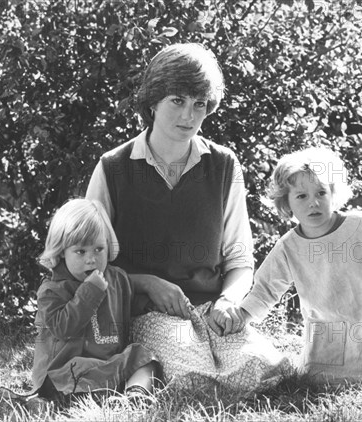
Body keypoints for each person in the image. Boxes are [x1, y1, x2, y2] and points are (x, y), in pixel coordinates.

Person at [85, 43, 288, 395]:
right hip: (149, 314)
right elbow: (88, 266)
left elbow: (240, 259)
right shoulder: (113, 168)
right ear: (153, 103)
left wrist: (229, 301)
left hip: (212, 309)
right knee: (191, 373)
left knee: (263, 369)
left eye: (199, 104)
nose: (189, 116)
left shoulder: (223, 164)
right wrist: (146, 282)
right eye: (177, 101)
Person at [229, 147, 362, 385]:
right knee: (326, 381)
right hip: (329, 342)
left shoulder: (361, 224)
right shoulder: (289, 247)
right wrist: (242, 315)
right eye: (302, 196)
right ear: (286, 203)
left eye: (321, 192)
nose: (314, 203)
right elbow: (266, 289)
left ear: (333, 192)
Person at [31, 198, 159, 404]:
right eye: (81, 251)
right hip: (66, 371)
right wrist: (89, 291)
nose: (91, 259)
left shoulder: (117, 278)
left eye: (99, 249)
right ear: (62, 251)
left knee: (144, 357)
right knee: (76, 377)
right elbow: (64, 328)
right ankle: (51, 401)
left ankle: (136, 395)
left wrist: (150, 304)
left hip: (107, 364)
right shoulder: (52, 291)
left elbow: (127, 303)